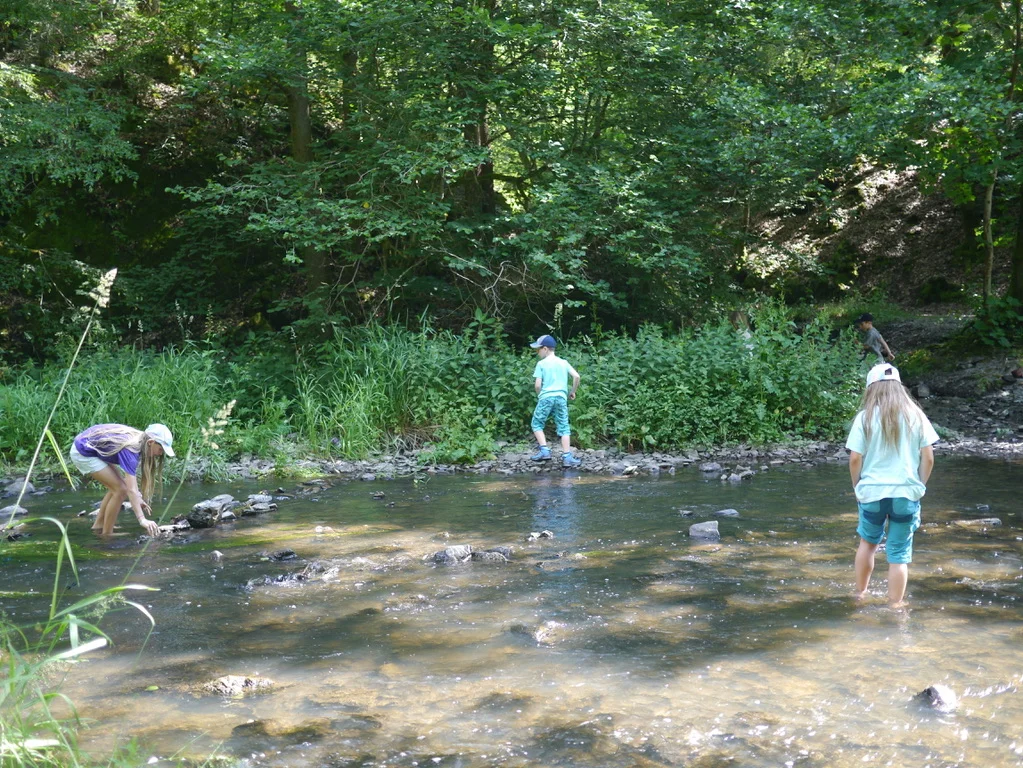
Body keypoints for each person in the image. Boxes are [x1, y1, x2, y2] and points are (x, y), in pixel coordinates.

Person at [846, 364, 938, 607]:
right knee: (898, 554)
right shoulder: (916, 415)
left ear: (871, 388)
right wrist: (920, 486)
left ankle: (860, 594)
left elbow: (855, 458)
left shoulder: (864, 417)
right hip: (906, 493)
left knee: (868, 544)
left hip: (872, 493)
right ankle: (895, 607)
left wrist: (858, 487)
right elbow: (928, 457)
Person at [69, 423, 175, 536]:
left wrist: (138, 498)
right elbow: (131, 490)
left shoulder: (140, 440)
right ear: (150, 443)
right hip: (83, 452)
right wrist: (142, 519)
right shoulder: (131, 450)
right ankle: (107, 534)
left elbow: (131, 486)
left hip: (88, 444)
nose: (161, 453)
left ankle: (99, 525)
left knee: (118, 486)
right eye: (161, 449)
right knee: (120, 490)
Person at [528, 335, 582, 467]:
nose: (537, 352)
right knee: (564, 426)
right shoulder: (563, 362)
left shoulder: (541, 364)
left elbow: (537, 385)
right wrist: (572, 391)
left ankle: (545, 451)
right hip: (561, 398)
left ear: (545, 349)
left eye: (538, 349)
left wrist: (540, 395)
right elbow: (576, 376)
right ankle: (567, 457)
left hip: (546, 397)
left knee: (537, 423)